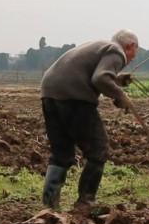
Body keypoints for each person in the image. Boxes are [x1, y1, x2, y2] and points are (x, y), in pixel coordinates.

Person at [40, 29, 138, 210]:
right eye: (134, 53)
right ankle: (86, 202)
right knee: (98, 149)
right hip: (74, 96)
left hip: (49, 93)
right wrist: (120, 96)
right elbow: (100, 78)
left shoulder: (100, 46)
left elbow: (93, 72)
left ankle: (49, 206)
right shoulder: (117, 51)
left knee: (61, 153)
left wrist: (116, 79)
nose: (132, 59)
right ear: (130, 46)